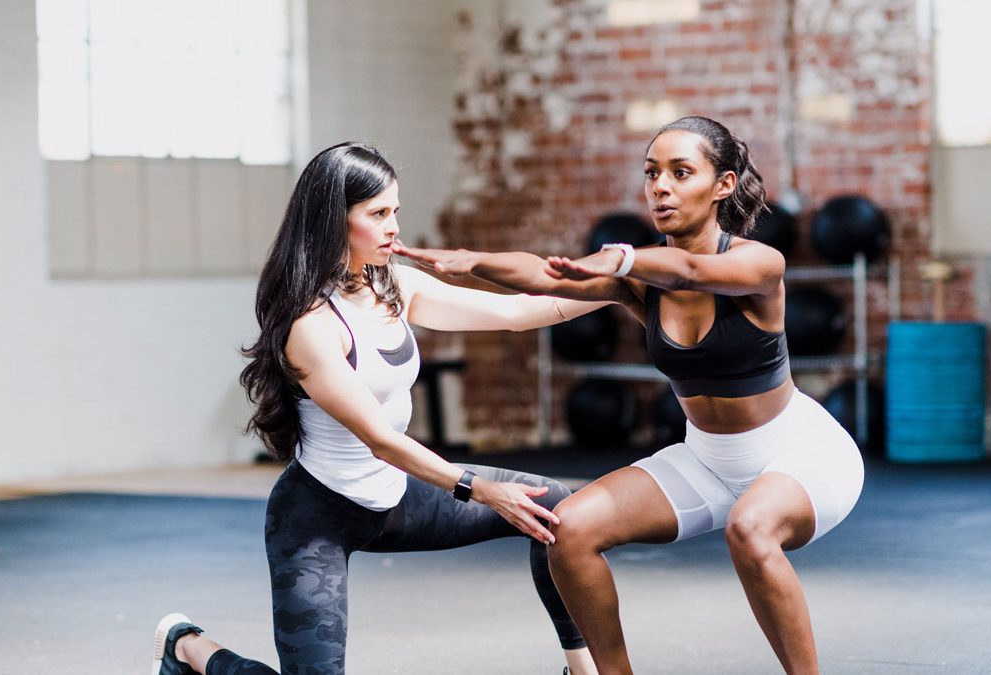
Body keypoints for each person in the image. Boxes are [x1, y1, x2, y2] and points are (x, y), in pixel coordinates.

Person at [394, 116, 865, 675]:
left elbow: (690, 271)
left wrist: (618, 257)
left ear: (723, 184)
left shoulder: (760, 263)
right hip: (707, 460)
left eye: (680, 172)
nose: (660, 186)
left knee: (751, 527)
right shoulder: (637, 280)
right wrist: (472, 260)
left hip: (800, 455)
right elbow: (544, 276)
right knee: (568, 530)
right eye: (651, 173)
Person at [150, 142, 621, 675]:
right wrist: (482, 489)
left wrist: (625, 286)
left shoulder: (395, 284)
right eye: (377, 214)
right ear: (334, 222)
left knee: (556, 509)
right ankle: (189, 649)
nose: (394, 227)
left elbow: (518, 312)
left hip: (398, 498)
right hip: (318, 516)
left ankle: (583, 671)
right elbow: (381, 440)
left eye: (395, 210)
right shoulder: (310, 326)